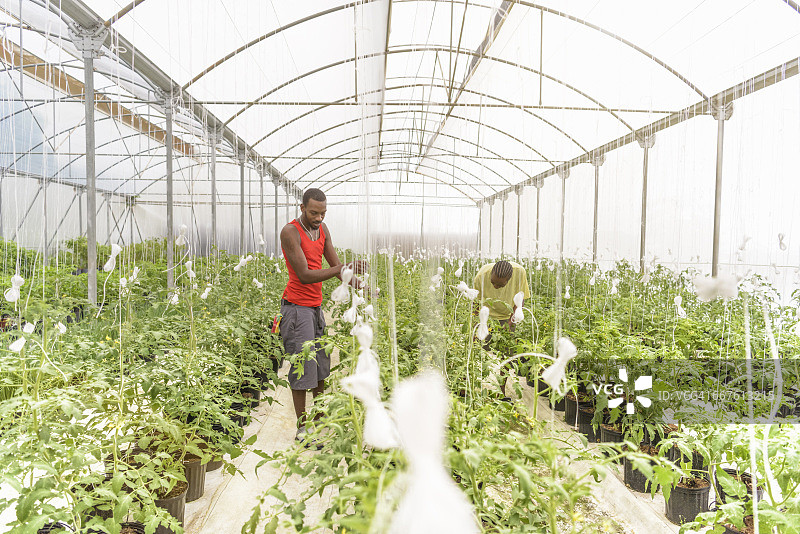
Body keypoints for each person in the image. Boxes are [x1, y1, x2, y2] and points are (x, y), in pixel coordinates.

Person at [279, 188, 367, 442]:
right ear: (302, 208)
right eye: (314, 213)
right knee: (301, 367)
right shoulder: (290, 232)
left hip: (315, 307)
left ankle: (319, 422)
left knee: (320, 367)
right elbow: (305, 275)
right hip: (296, 308)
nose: (319, 218)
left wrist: (362, 286)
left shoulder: (323, 229)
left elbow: (336, 267)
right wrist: (342, 268)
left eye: (323, 213)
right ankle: (302, 428)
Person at [472, 259, 531, 329]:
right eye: (492, 282)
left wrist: (510, 322)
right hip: (486, 317)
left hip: (509, 316)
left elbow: (520, 298)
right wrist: (477, 324)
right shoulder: (481, 276)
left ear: (509, 279)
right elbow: (476, 302)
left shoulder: (519, 273)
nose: (495, 286)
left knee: (509, 337)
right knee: (484, 339)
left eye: (501, 285)